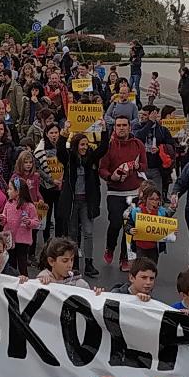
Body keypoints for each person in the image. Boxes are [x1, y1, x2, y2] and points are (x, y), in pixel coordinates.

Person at [98, 115, 148, 271]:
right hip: (115, 192)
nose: (121, 128)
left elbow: (145, 166)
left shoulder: (138, 144)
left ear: (129, 127)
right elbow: (102, 169)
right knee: (115, 224)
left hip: (133, 192)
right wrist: (111, 176)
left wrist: (136, 167)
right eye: (118, 125)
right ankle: (110, 247)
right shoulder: (110, 146)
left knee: (130, 226)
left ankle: (124, 258)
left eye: (124, 125)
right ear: (115, 128)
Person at [56, 132, 101, 278]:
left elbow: (103, 148)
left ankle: (89, 263)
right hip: (72, 202)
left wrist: (104, 131)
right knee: (73, 233)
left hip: (86, 201)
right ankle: (73, 264)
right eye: (82, 145)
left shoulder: (90, 158)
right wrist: (63, 135)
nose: (85, 147)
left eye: (86, 144)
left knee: (88, 232)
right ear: (76, 146)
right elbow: (60, 151)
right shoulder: (69, 159)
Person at [0, 177, 39, 275]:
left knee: (22, 263)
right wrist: (2, 219)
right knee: (11, 264)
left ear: (18, 191)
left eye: (10, 189)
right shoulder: (8, 203)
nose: (8, 191)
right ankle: (12, 282)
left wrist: (29, 222)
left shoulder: (29, 206)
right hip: (9, 239)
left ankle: (24, 282)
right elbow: (4, 219)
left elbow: (36, 222)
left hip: (22, 240)